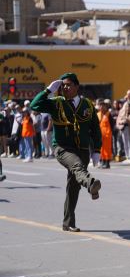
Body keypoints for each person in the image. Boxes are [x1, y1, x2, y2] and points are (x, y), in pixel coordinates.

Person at [30, 73, 102, 232]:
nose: (65, 88)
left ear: (77, 86)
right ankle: (91, 184)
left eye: (69, 84)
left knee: (73, 186)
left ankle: (68, 222)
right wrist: (48, 90)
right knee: (77, 167)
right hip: (63, 148)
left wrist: (97, 149)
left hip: (82, 149)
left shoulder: (87, 105)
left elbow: (95, 128)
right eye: (62, 85)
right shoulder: (56, 103)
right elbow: (34, 105)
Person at [98, 101, 113, 169]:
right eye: (100, 106)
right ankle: (103, 161)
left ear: (105, 107)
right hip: (100, 134)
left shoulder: (108, 114)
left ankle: (107, 163)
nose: (101, 107)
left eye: (103, 106)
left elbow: (112, 124)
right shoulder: (98, 114)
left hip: (107, 134)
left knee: (107, 149)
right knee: (102, 149)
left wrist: (110, 132)